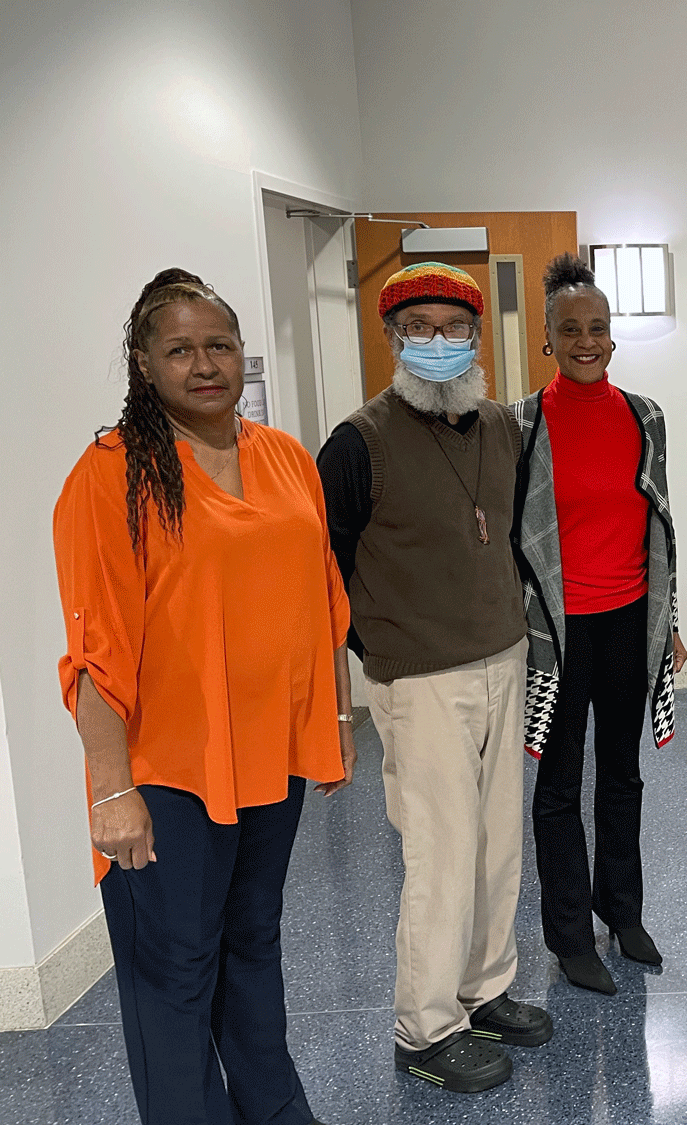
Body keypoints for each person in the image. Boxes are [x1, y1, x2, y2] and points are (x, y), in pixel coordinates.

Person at [55, 268, 355, 1124]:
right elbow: (93, 651)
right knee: (175, 969)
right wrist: (113, 790)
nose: (203, 363)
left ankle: (274, 1107)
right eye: (178, 349)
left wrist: (330, 724)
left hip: (269, 766)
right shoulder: (112, 474)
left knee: (253, 943)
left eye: (217, 344)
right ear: (143, 365)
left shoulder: (285, 457)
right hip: (167, 775)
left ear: (241, 353)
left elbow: (321, 600)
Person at [318, 261, 550, 1091]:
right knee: (441, 851)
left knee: (495, 842)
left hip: (502, 654)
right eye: (419, 327)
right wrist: (373, 647)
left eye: (454, 329)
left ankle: (484, 989)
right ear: (392, 338)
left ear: (477, 338)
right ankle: (425, 1026)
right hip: (419, 679)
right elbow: (323, 563)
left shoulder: (499, 424)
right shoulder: (358, 441)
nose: (439, 343)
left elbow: (512, 533)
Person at [510, 254, 687, 997]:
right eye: (570, 328)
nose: (587, 340)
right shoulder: (519, 424)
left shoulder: (644, 416)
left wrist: (670, 621)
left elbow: (664, 528)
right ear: (548, 337)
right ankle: (570, 936)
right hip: (555, 634)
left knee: (622, 773)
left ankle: (624, 912)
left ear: (613, 339)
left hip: (628, 622)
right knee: (557, 786)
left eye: (599, 328)